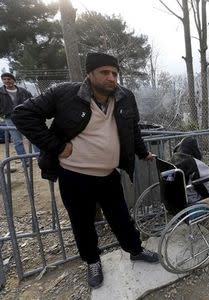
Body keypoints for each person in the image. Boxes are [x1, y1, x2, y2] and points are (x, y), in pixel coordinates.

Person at [11, 52, 159, 289]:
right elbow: (23, 114)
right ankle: (92, 262)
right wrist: (57, 146)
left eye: (114, 73)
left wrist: (142, 153)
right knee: (82, 223)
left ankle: (135, 250)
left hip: (109, 175)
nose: (111, 78)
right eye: (104, 72)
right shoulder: (65, 94)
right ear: (90, 74)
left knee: (121, 218)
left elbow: (132, 128)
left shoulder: (125, 97)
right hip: (74, 177)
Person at [0, 72, 38, 160]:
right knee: (17, 141)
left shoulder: (23, 91)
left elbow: (33, 102)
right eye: (4, 79)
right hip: (10, 118)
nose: (7, 81)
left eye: (9, 79)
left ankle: (39, 157)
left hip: (25, 117)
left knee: (33, 137)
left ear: (13, 80)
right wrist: (2, 113)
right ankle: (25, 161)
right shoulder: (0, 92)